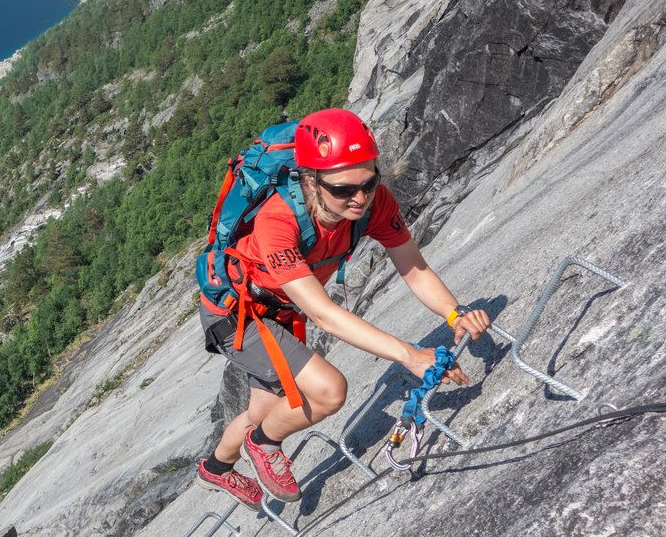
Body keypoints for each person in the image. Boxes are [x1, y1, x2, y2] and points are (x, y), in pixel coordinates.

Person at [195, 108, 491, 506]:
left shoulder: (373, 203)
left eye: (369, 183)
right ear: (312, 182)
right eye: (343, 190)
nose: (360, 198)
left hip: (279, 308)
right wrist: (408, 355)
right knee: (328, 392)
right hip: (236, 315)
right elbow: (322, 314)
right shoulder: (278, 221)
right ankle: (263, 443)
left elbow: (415, 269)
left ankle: (215, 468)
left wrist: (455, 314)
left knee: (265, 409)